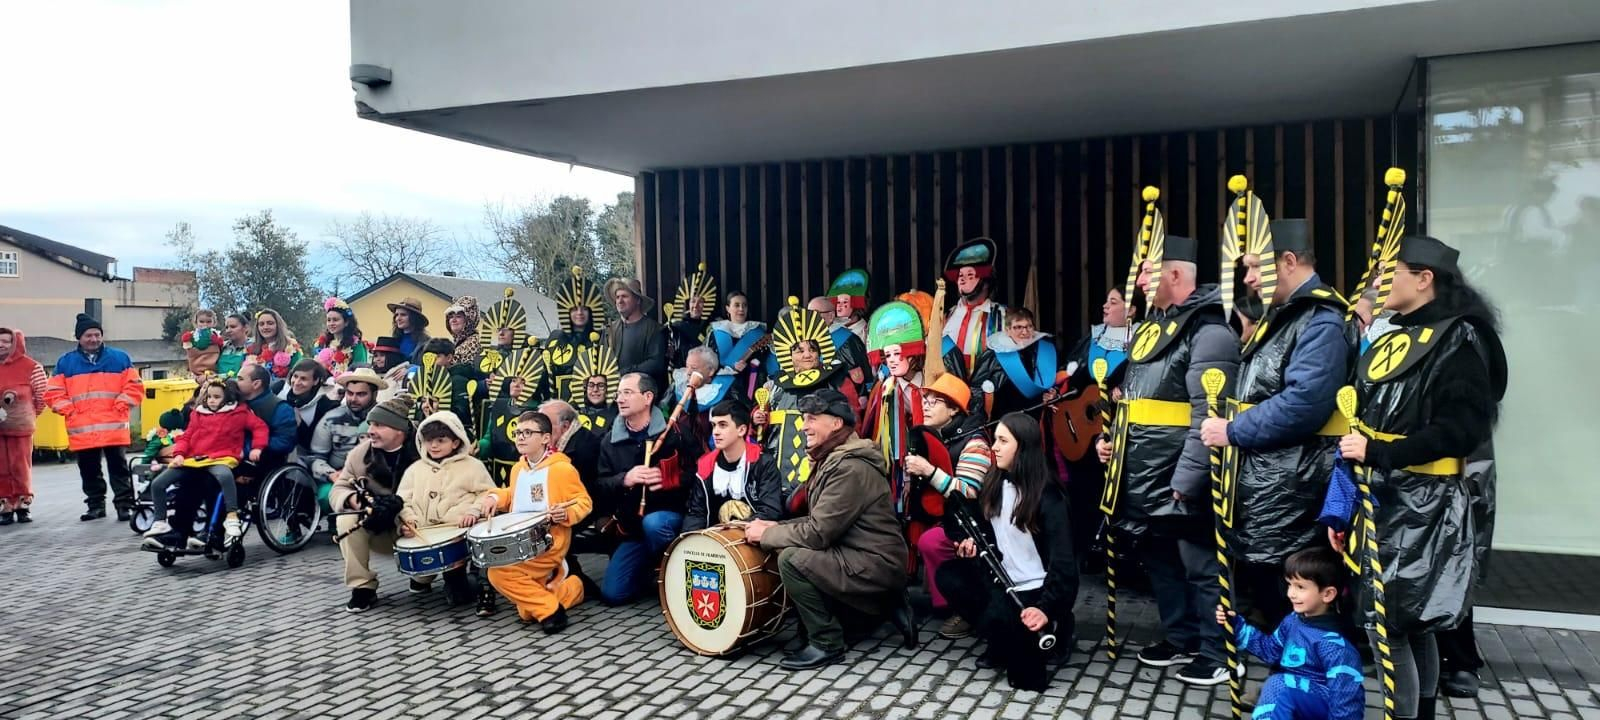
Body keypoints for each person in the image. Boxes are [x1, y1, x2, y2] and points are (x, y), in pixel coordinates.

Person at [1323, 235, 1506, 720]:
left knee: (1396, 626)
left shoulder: (1459, 338)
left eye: (1389, 273)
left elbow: (1460, 430)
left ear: (1424, 279)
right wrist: (1343, 504)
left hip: (1425, 505)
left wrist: (1382, 451)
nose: (1379, 283)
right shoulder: (1396, 336)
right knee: (1409, 623)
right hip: (1386, 499)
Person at [1098, 234, 1240, 686]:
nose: (1137, 280)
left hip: (1181, 471)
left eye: (1145, 271)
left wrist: (1189, 477)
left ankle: (1218, 650)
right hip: (1143, 472)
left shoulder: (1210, 329)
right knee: (1158, 557)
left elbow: (1207, 410)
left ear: (1174, 274)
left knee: (1201, 565)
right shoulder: (1151, 328)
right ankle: (1181, 639)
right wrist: (1113, 443)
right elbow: (1137, 401)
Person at [1201, 218, 1355, 633]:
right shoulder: (1286, 316)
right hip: (1273, 490)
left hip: (1296, 491)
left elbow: (1305, 403)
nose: (1248, 278)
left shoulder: (1320, 319)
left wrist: (1232, 430)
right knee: (1272, 604)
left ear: (1288, 261)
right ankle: (1285, 687)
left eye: (1255, 266)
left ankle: (1303, 690)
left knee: (1294, 607)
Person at [745, 389, 911, 670]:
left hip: (874, 563)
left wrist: (768, 535)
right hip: (858, 553)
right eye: (804, 419)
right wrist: (777, 526)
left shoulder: (849, 467)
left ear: (836, 423)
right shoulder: (834, 458)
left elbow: (819, 533)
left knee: (792, 559)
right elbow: (823, 520)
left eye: (811, 419)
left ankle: (826, 642)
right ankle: (872, 611)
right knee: (789, 545)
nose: (804, 426)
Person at [937, 412, 1079, 691]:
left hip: (1037, 588)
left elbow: (1064, 564)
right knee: (950, 576)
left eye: (1003, 441)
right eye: (996, 440)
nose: (994, 447)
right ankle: (1001, 636)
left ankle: (1059, 627)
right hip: (1003, 580)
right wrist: (969, 540)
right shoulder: (995, 484)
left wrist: (1045, 609)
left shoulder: (1048, 497)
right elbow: (964, 519)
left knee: (1025, 681)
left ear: (1023, 447)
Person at [1215, 547, 1363, 720]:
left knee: (1278, 685)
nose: (1291, 593)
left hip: (1324, 707)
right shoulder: (1293, 620)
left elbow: (1345, 701)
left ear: (1328, 594)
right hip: (1292, 698)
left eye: (1300, 587)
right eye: (1289, 584)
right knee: (1278, 686)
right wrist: (1236, 627)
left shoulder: (1335, 645)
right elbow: (1270, 650)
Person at [477, 411, 592, 631]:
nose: (520, 437)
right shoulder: (518, 468)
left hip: (549, 543)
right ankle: (573, 588)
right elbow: (514, 494)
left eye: (528, 432)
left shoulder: (562, 469)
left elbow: (584, 502)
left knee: (497, 572)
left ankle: (551, 612)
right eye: (518, 432)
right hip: (520, 543)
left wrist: (565, 515)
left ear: (546, 438)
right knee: (526, 611)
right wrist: (495, 497)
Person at [904, 373, 991, 638]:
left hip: (981, 527)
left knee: (932, 541)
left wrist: (929, 471)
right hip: (956, 520)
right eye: (926, 400)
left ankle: (966, 610)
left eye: (936, 401)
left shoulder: (975, 444)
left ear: (954, 409)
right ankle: (947, 603)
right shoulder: (943, 436)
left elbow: (967, 491)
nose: (926, 405)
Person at [595, 373, 692, 604]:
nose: (620, 399)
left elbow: (699, 473)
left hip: (669, 518)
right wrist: (624, 479)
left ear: (647, 397)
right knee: (613, 594)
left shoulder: (674, 433)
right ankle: (649, 568)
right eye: (618, 393)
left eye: (627, 393)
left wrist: (672, 479)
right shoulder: (610, 440)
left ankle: (672, 570)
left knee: (655, 524)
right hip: (633, 529)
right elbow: (599, 485)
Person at [141, 378, 267, 548]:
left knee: (212, 485)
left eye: (216, 396)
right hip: (197, 460)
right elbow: (187, 437)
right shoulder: (198, 414)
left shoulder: (239, 413)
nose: (211, 400)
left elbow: (260, 428)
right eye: (209, 397)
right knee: (185, 488)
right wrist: (179, 454)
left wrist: (257, 448)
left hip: (224, 459)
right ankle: (177, 532)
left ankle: (213, 532)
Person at [45, 313, 143, 522]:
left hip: (113, 424)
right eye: (89, 335)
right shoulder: (66, 362)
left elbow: (134, 386)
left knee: (118, 467)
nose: (94, 339)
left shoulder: (120, 358)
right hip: (83, 426)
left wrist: (122, 403)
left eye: (97, 335)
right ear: (79, 338)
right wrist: (69, 410)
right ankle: (95, 505)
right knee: (89, 469)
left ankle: (124, 505)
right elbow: (53, 392)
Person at [755, 299, 853, 504]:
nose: (807, 355)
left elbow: (853, 420)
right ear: (788, 355)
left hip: (824, 465)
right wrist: (758, 417)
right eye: (799, 350)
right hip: (778, 468)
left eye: (812, 349)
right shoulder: (774, 384)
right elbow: (760, 423)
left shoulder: (838, 379)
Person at [396, 410, 498, 606]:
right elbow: (403, 501)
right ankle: (423, 578)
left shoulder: (473, 466)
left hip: (459, 532)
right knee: (422, 574)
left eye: (441, 440)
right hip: (424, 534)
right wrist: (409, 520)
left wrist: (473, 511)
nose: (433, 445)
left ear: (456, 441)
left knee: (459, 597)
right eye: (428, 440)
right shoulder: (415, 469)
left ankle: (472, 577)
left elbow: (488, 493)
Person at [333, 396, 421, 612]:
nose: (370, 430)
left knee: (423, 578)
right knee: (346, 520)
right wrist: (356, 501)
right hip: (377, 527)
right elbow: (339, 489)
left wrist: (404, 510)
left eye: (378, 425)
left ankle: (424, 575)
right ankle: (362, 587)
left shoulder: (425, 452)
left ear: (399, 430)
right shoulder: (359, 454)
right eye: (371, 424)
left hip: (417, 526)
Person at [860, 300, 927, 525]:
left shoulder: (932, 384)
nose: (892, 361)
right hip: (894, 471)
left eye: (898, 354)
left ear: (913, 354)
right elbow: (871, 431)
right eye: (887, 356)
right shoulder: (884, 389)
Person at [683, 400, 782, 533]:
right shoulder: (705, 466)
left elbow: (770, 511)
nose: (715, 432)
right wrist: (689, 540)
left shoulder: (763, 463)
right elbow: (697, 514)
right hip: (714, 540)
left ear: (741, 430)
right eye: (714, 425)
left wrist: (730, 532)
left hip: (753, 539)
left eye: (723, 425)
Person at [970, 307, 1062, 419]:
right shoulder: (994, 354)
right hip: (1004, 419)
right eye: (1018, 327)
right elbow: (976, 389)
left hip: (1036, 417)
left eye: (1029, 326)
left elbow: (1057, 378)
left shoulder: (1044, 350)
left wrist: (1054, 393)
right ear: (1008, 330)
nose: (1025, 332)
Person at [942, 237, 1009, 378]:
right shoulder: (945, 317)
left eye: (970, 275)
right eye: (960, 275)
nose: (961, 279)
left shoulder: (1004, 316)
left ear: (985, 281)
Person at [308, 367, 384, 486]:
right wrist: (331, 474)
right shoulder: (331, 418)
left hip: (376, 480)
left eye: (361, 394)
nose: (353, 399)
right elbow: (315, 457)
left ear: (374, 394)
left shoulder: (385, 420)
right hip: (336, 479)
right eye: (350, 393)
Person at [0, 328, 46, 524]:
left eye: (6, 341)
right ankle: (5, 505)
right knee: (1, 466)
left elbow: (42, 395)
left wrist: (28, 415)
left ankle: (23, 503)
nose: (1, 345)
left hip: (21, 427)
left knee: (20, 465)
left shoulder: (31, 367)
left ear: (15, 343)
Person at [545, 267, 608, 401]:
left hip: (591, 402)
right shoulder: (555, 339)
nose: (579, 313)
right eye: (574, 309)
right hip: (558, 401)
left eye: (584, 309)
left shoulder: (604, 338)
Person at [603, 278, 668, 393]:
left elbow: (656, 363)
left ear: (638, 300)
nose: (620, 301)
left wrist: (626, 372)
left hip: (646, 397)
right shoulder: (610, 330)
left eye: (625, 296)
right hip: (615, 397)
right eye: (617, 297)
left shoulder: (655, 329)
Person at [708, 291, 768, 403]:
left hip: (751, 385)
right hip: (723, 388)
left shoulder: (757, 332)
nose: (741, 309)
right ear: (728, 308)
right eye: (736, 305)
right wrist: (727, 368)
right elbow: (709, 362)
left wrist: (751, 364)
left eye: (744, 305)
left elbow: (764, 361)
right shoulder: (717, 333)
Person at [237, 363, 298, 471]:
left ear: (256, 384)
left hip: (259, 463)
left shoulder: (281, 409)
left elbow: (284, 442)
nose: (236, 382)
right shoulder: (234, 401)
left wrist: (249, 446)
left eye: (240, 379)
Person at [277, 359, 339, 457]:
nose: (297, 382)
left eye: (303, 379)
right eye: (295, 376)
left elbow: (316, 444)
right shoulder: (279, 389)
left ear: (316, 381)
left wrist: (300, 424)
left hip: (301, 457)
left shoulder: (325, 406)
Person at [666, 263, 716, 369]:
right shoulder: (675, 326)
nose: (696, 306)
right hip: (681, 372)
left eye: (701, 302)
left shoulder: (714, 326)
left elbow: (709, 348)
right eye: (693, 301)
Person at [246, 308, 305, 384]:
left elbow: (299, 372)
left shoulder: (291, 346)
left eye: (270, 323)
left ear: (278, 325)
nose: (265, 327)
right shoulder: (251, 348)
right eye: (261, 324)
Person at [313, 297, 369, 375]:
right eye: (329, 320)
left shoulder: (356, 345)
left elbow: (360, 372)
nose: (331, 323)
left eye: (335, 320)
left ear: (346, 322)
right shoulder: (323, 344)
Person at [180, 308, 226, 376]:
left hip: (213, 369)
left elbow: (221, 346)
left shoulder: (216, 334)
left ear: (214, 323)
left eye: (209, 322)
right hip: (196, 368)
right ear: (195, 323)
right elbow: (187, 347)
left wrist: (217, 341)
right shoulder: (192, 335)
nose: (205, 324)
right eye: (201, 321)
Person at [444, 295, 484, 372]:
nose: (453, 320)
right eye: (451, 317)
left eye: (458, 316)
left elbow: (466, 372)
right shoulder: (457, 343)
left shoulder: (475, 343)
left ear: (469, 319)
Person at [387, 296, 432, 364]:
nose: (398, 318)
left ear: (414, 318)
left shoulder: (426, 343)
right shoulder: (394, 341)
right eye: (396, 315)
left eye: (403, 315)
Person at [369, 336, 411, 402]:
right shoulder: (371, 377)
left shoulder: (402, 377)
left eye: (382, 355)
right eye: (376, 356)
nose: (377, 359)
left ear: (392, 357)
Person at [215, 313, 252, 378]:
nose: (228, 330)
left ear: (245, 328)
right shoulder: (221, 346)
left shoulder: (253, 346)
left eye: (233, 327)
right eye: (227, 327)